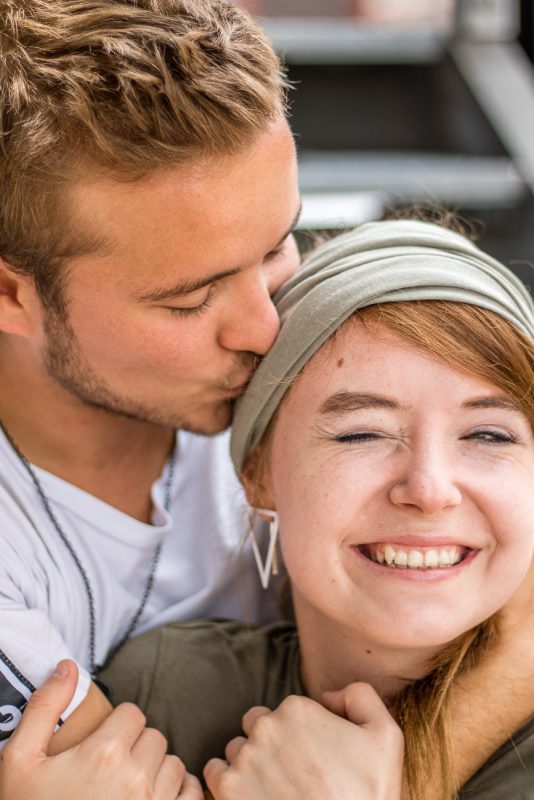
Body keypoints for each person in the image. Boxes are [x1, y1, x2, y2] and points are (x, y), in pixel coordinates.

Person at [0, 0, 533, 796]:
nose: (263, 326)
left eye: (278, 243)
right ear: (13, 296)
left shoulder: (303, 379)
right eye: (190, 299)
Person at [99, 219, 534, 799]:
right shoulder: (159, 699)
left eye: (488, 435)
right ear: (257, 475)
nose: (429, 490)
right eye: (361, 434)